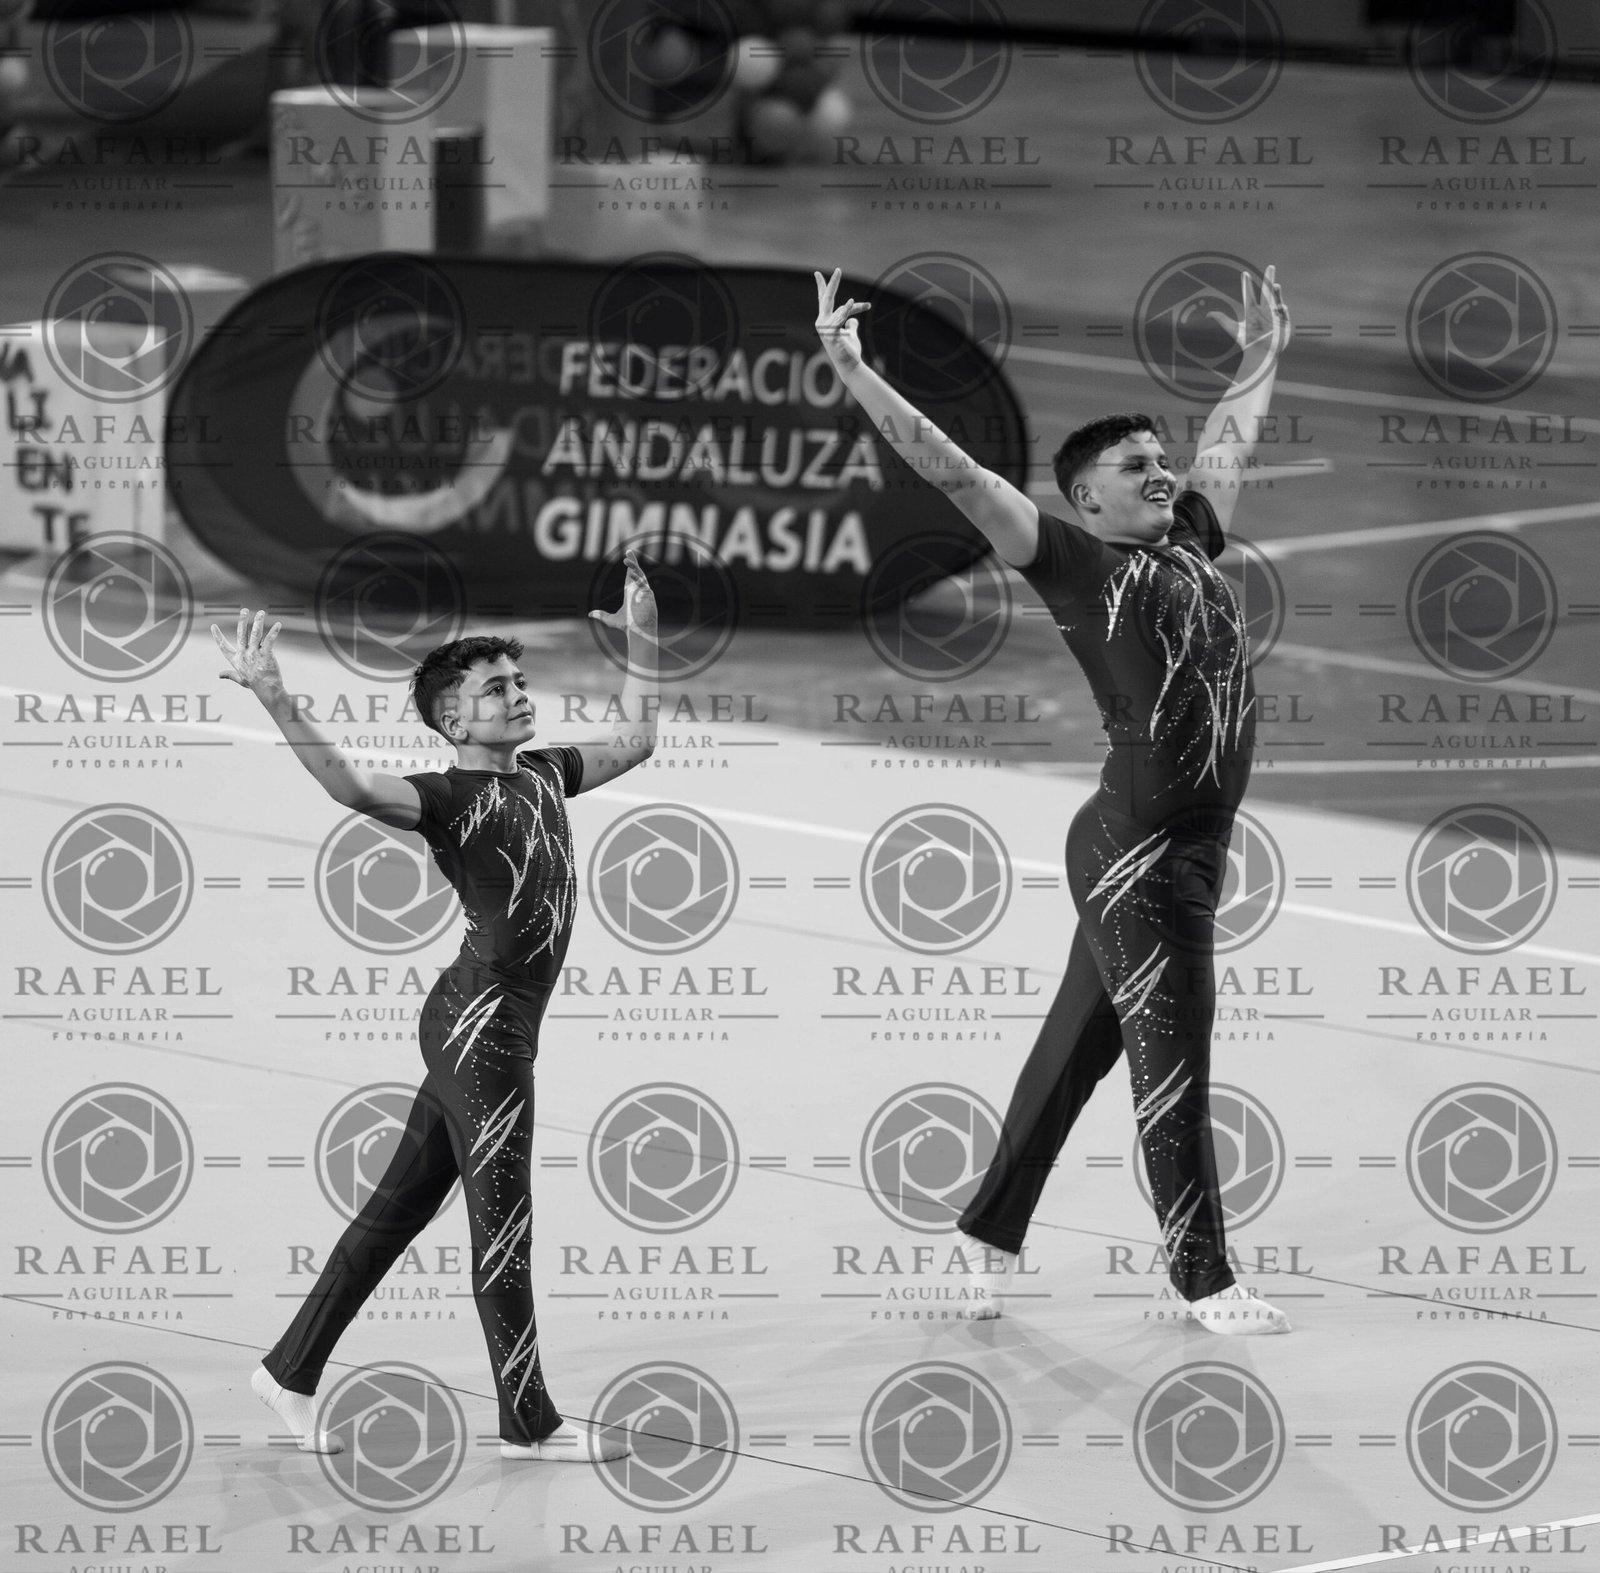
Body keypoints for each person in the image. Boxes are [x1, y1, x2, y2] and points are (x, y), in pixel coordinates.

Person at [813, 264, 1293, 1336]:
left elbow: (1226, 446)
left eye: (1160, 460)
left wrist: (1261, 358)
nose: (1161, 472)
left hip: (1182, 845)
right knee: (1175, 1057)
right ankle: (1203, 1278)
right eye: (1136, 466)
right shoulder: (1074, 561)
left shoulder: (1188, 542)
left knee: (1077, 1047)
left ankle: (984, 1233)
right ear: (1086, 499)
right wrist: (854, 372)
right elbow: (951, 469)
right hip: (1138, 851)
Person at [216, 549, 660, 1459]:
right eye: (496, 690)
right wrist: (277, 697)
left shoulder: (544, 772)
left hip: (487, 1023)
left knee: (395, 1212)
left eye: (519, 682)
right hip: (481, 1030)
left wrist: (644, 644)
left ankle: (288, 1370)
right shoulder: (450, 798)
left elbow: (637, 738)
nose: (519, 696)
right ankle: (528, 1422)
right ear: (453, 718)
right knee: (505, 1225)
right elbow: (351, 786)